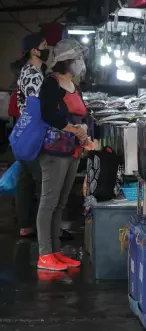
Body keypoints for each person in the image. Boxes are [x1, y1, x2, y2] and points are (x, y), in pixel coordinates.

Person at [36, 39, 88, 271]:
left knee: (61, 203)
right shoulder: (51, 83)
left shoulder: (73, 84)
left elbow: (80, 115)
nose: (81, 63)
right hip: (53, 150)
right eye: (77, 59)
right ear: (67, 60)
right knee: (48, 203)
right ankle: (44, 254)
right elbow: (47, 114)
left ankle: (56, 251)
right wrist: (72, 129)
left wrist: (85, 135)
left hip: (73, 150)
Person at [11, 33, 49, 237]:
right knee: (42, 180)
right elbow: (38, 106)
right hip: (33, 132)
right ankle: (43, 227)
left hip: (23, 131)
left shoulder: (28, 71)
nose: (47, 47)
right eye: (44, 45)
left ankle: (25, 225)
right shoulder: (33, 75)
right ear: (34, 50)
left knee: (25, 180)